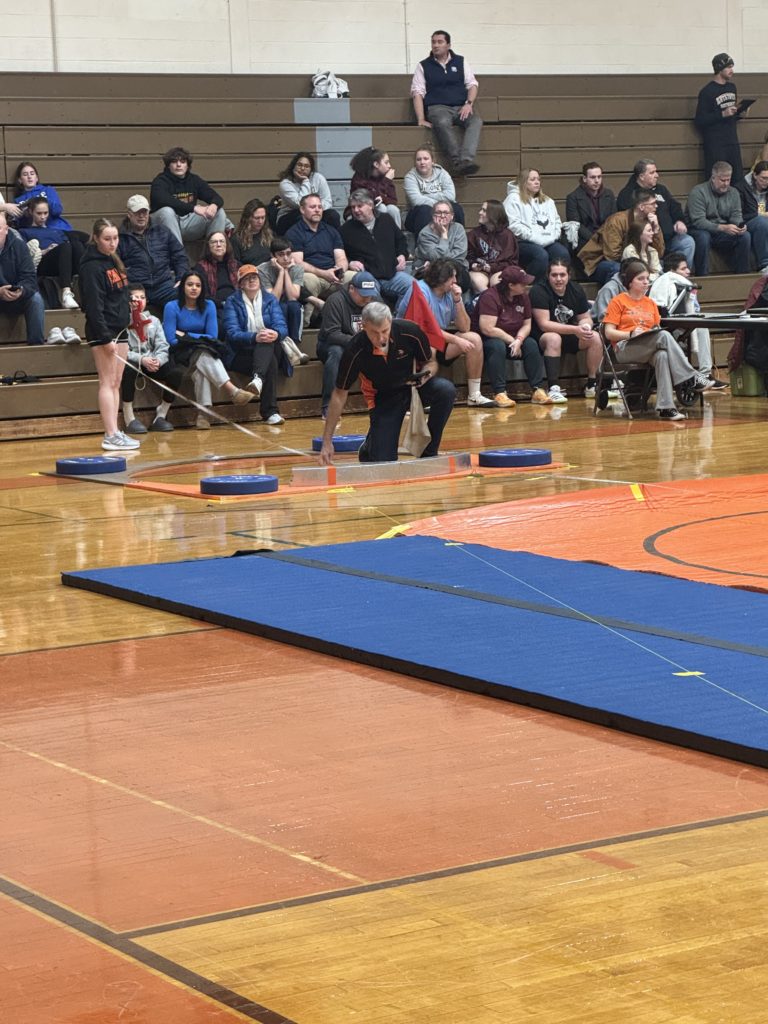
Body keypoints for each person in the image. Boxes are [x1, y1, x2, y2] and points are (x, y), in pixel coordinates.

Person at [320, 301, 456, 465]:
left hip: (414, 387)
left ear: (390, 322)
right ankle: (370, 446)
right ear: (364, 326)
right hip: (383, 398)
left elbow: (431, 362)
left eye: (385, 331)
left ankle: (429, 451)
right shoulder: (355, 349)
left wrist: (426, 374)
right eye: (374, 333)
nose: (381, 338)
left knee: (446, 390)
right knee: (383, 461)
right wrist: (327, 441)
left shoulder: (410, 331)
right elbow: (339, 394)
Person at [602, 260, 712, 422]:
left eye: (647, 278)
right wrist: (630, 334)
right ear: (630, 282)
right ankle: (691, 377)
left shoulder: (650, 303)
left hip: (648, 344)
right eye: (641, 279)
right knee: (664, 336)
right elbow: (609, 333)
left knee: (662, 355)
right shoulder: (618, 301)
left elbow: (655, 328)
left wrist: (650, 332)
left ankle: (666, 408)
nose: (646, 282)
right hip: (624, 347)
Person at [396, 258, 495, 407]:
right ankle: (415, 397)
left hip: (438, 338)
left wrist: (458, 301)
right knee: (431, 351)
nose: (455, 281)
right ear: (441, 278)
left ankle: (474, 395)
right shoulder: (420, 290)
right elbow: (423, 329)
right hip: (410, 339)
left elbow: (465, 328)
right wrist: (456, 340)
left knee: (474, 339)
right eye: (452, 277)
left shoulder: (450, 293)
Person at [163, 270, 254, 429]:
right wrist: (197, 337)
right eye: (190, 284)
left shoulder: (209, 305)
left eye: (198, 285)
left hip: (202, 353)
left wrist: (185, 334)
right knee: (203, 351)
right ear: (183, 286)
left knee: (201, 368)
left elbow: (212, 336)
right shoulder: (171, 307)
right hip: (180, 355)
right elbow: (171, 339)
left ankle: (203, 415)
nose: (194, 288)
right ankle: (232, 391)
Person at [78, 218, 137, 450]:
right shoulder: (91, 266)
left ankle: (116, 431)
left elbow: (118, 295)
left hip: (120, 328)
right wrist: (104, 337)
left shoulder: (114, 260)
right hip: (103, 330)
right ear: (96, 238)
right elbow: (93, 305)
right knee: (107, 381)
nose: (113, 243)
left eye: (115, 238)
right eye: (107, 239)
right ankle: (110, 433)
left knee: (117, 381)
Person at [472, 264, 553, 408]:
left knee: (531, 344)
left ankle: (537, 390)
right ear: (510, 285)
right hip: (490, 338)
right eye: (522, 283)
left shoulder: (523, 297)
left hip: (515, 337)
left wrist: (520, 340)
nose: (526, 285)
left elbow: (527, 324)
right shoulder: (489, 297)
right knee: (496, 346)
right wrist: (512, 341)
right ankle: (500, 392)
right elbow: (487, 328)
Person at [649, 251, 728, 391]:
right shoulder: (666, 282)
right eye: (683, 269)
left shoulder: (685, 286)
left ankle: (705, 374)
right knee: (698, 328)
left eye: (687, 268)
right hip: (666, 328)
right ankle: (693, 376)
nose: (688, 271)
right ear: (672, 271)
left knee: (702, 327)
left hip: (683, 324)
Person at [222, 265, 287, 426]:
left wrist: (276, 334)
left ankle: (258, 380)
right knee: (270, 361)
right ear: (240, 284)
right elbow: (232, 333)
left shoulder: (270, 299)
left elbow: (282, 327)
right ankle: (270, 412)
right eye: (246, 279)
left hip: (266, 347)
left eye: (254, 277)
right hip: (241, 353)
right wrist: (254, 337)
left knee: (267, 340)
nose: (251, 281)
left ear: (259, 280)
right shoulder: (232, 301)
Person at [411, 29, 482, 176]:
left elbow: (473, 85)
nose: (436, 45)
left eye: (440, 42)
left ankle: (466, 159)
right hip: (437, 107)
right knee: (442, 121)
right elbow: (417, 93)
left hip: (460, 106)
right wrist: (420, 119)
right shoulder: (423, 65)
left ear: (448, 45)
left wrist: (469, 103)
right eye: (433, 42)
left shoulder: (461, 61)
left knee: (476, 121)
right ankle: (457, 161)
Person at [530, 259, 603, 402]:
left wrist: (585, 325)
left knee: (594, 337)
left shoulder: (575, 289)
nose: (558, 279)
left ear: (569, 275)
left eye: (562, 275)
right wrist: (576, 329)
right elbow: (544, 324)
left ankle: (592, 384)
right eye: (554, 275)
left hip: (569, 332)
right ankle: (553, 388)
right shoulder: (538, 290)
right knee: (553, 338)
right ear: (548, 276)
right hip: (542, 336)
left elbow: (585, 317)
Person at [616, 158, 701, 272]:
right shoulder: (628, 195)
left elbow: (674, 206)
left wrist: (679, 220)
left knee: (687, 242)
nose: (657, 175)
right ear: (641, 176)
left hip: (670, 239)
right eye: (652, 173)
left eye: (656, 171)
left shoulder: (661, 190)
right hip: (648, 243)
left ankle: (682, 278)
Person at [121, 282, 184, 434]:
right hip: (134, 362)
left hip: (152, 362)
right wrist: (141, 359)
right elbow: (122, 350)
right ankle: (129, 416)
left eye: (142, 297)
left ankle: (161, 414)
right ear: (128, 301)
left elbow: (163, 346)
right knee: (128, 369)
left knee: (176, 372)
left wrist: (158, 360)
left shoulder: (154, 321)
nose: (139, 301)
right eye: (135, 297)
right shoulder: (122, 321)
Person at [317, 271, 380, 418]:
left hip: (364, 343)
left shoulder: (374, 301)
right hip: (331, 345)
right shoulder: (335, 301)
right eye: (364, 294)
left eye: (370, 294)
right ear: (351, 288)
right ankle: (328, 406)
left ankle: (389, 401)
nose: (368, 298)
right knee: (337, 352)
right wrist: (359, 342)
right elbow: (331, 334)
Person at [285, 193, 353, 318]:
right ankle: (308, 322)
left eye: (319, 207)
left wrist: (339, 270)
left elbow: (342, 258)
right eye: (312, 207)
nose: (317, 210)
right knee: (308, 280)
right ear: (302, 210)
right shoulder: (294, 233)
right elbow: (298, 263)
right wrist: (324, 273)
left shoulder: (331, 231)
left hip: (334, 276)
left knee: (357, 278)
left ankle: (354, 318)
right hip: (314, 276)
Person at [340, 190, 413, 306]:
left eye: (360, 206)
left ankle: (399, 320)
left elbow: (401, 241)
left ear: (370, 205)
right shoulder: (346, 230)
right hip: (369, 277)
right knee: (371, 296)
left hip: (392, 275)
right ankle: (384, 320)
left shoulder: (386, 220)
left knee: (414, 287)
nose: (356, 210)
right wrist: (350, 262)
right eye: (353, 207)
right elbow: (341, 254)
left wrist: (402, 255)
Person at [118, 194, 188, 313]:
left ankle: (182, 331)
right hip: (136, 288)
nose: (141, 216)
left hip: (164, 286)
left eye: (144, 212)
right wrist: (129, 287)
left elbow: (180, 255)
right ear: (129, 214)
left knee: (189, 293)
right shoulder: (120, 237)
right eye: (137, 212)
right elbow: (115, 266)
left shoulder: (162, 231)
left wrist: (182, 278)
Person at [578, 189, 664, 282]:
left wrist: (656, 229)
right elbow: (612, 255)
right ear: (642, 207)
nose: (656, 206)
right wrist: (637, 262)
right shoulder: (617, 221)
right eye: (653, 203)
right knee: (618, 269)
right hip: (600, 261)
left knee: (659, 265)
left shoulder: (650, 221)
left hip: (636, 258)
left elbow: (659, 253)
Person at [150, 146, 228, 245]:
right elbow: (161, 199)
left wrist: (214, 205)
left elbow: (216, 197)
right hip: (164, 224)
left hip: (187, 223)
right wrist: (194, 208)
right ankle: (178, 257)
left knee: (219, 212)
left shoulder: (194, 180)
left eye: (182, 162)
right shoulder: (160, 181)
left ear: (187, 165)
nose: (178, 165)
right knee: (167, 211)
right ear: (168, 165)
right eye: (174, 162)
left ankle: (212, 256)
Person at [686, 162, 751, 275]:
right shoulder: (698, 192)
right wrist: (723, 228)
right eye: (722, 180)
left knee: (744, 236)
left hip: (721, 231)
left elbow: (736, 215)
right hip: (699, 229)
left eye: (728, 180)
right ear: (713, 178)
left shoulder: (734, 192)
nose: (726, 184)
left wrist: (740, 225)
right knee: (703, 237)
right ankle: (703, 275)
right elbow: (698, 221)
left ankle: (742, 274)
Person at [503, 169, 569, 280]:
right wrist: (535, 237)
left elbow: (557, 222)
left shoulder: (548, 201)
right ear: (523, 182)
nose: (537, 182)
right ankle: (531, 285)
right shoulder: (512, 200)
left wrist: (553, 235)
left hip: (548, 240)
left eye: (538, 179)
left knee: (562, 253)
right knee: (540, 256)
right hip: (522, 241)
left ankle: (555, 283)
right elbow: (513, 225)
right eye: (532, 179)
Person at [18, 197, 80, 310]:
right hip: (43, 262)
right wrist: (45, 251)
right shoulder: (23, 232)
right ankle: (66, 293)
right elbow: (25, 256)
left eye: (45, 213)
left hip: (63, 260)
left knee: (76, 242)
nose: (43, 217)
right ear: (31, 212)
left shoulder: (56, 231)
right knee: (65, 247)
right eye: (39, 213)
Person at [695, 53, 745, 182]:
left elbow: (731, 114)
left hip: (732, 139)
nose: (731, 71)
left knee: (737, 177)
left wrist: (739, 113)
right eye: (728, 67)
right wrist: (722, 114)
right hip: (716, 143)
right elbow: (700, 120)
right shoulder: (707, 91)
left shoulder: (732, 87)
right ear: (719, 68)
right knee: (718, 178)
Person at [0, 211, 45, 346]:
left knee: (36, 299)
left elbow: (30, 279)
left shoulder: (19, 246)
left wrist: (21, 290)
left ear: (7, 230)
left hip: (16, 296)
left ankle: (36, 347)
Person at [403, 147, 464, 237]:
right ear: (415, 163)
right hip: (415, 216)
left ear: (432, 161)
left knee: (457, 208)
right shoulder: (410, 177)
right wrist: (439, 207)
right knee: (424, 210)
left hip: (440, 211)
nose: (422, 162)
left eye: (426, 159)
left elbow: (451, 196)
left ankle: (458, 243)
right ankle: (422, 248)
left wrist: (428, 198)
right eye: (418, 159)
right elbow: (417, 201)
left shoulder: (442, 173)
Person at [258, 237, 306, 349]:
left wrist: (286, 272)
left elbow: (293, 297)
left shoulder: (297, 269)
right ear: (273, 256)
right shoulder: (262, 270)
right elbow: (273, 299)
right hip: (268, 306)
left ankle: (294, 345)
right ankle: (282, 344)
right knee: (281, 307)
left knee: (295, 306)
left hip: (289, 303)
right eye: (281, 254)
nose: (286, 258)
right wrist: (281, 272)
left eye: (288, 254)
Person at [466, 200, 520, 293]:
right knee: (479, 282)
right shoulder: (474, 234)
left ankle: (495, 304)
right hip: (479, 271)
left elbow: (512, 262)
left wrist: (492, 267)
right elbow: (468, 256)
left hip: (499, 269)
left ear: (493, 214)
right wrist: (473, 265)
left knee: (498, 282)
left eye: (484, 210)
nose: (480, 212)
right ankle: (488, 302)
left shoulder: (507, 235)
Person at [413, 201, 470, 290]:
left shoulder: (458, 229)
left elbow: (460, 256)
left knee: (463, 279)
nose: (443, 216)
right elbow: (435, 257)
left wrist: (438, 260)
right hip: (432, 271)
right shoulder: (425, 234)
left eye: (446, 213)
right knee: (440, 276)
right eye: (439, 213)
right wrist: (444, 235)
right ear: (433, 216)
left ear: (452, 216)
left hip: (456, 268)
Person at [277, 152, 339, 231]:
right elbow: (301, 204)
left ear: (311, 169)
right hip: (288, 217)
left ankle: (334, 240)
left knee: (332, 215)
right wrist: (305, 181)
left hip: (314, 213)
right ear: (293, 166)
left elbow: (327, 201)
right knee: (302, 215)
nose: (302, 168)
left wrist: (315, 210)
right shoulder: (286, 184)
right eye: (299, 165)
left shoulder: (318, 178)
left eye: (306, 166)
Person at [565, 162, 617, 251]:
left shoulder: (609, 194)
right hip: (585, 240)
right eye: (593, 177)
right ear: (585, 179)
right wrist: (595, 239)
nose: (597, 181)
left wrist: (604, 237)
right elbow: (576, 225)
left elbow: (613, 219)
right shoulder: (573, 198)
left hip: (606, 237)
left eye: (599, 177)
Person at [194, 231, 240, 328]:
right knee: (227, 323)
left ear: (227, 245)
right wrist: (223, 303)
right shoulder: (201, 267)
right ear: (208, 246)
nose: (218, 245)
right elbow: (203, 295)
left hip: (239, 303)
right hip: (217, 306)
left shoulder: (236, 265)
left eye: (221, 241)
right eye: (214, 242)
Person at [348, 147, 401, 227]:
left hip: (379, 208)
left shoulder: (384, 176)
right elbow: (369, 200)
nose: (389, 166)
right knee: (381, 208)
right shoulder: (359, 179)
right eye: (386, 162)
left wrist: (381, 198)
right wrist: (386, 181)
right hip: (361, 211)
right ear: (376, 164)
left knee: (393, 209)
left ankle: (396, 236)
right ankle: (379, 236)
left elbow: (393, 200)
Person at [735, 161, 768, 275]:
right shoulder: (741, 188)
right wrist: (760, 215)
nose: (766, 182)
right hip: (747, 222)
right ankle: (764, 264)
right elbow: (739, 214)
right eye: (763, 178)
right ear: (754, 175)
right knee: (762, 222)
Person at [231, 198, 274, 265]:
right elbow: (235, 265)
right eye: (257, 218)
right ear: (248, 218)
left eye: (263, 217)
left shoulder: (270, 235)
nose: (260, 221)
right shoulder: (236, 239)